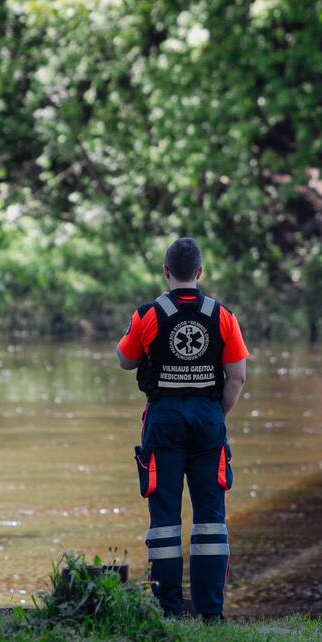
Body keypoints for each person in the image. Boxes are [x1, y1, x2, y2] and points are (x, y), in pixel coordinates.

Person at [115, 237, 249, 622]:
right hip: (208, 420)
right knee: (211, 519)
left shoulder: (148, 314)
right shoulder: (222, 316)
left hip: (164, 423)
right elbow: (237, 378)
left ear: (166, 272)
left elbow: (125, 360)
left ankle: (169, 610)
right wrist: (215, 414)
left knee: (164, 521)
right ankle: (210, 613)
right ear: (201, 273)